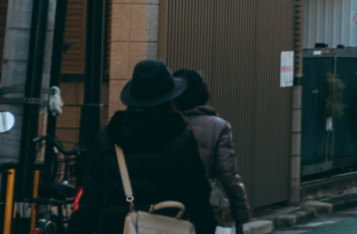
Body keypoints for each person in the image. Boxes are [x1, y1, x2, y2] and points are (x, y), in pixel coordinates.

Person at [68, 59, 217, 234]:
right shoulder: (180, 137)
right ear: (169, 98)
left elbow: (90, 201)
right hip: (166, 228)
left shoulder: (108, 137)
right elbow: (197, 195)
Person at [174, 68, 252, 229]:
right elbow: (229, 176)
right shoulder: (218, 127)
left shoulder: (167, 124)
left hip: (171, 208)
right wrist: (241, 213)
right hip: (209, 208)